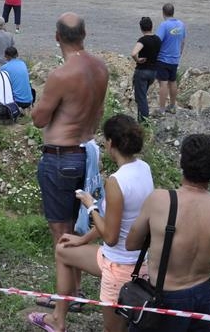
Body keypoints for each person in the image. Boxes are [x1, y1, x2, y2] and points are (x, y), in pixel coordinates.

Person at [27, 115, 154, 332]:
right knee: (64, 250)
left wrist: (91, 206)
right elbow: (117, 221)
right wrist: (83, 239)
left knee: (112, 330)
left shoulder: (116, 181)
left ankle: (59, 319)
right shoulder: (144, 168)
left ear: (111, 143)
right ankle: (57, 318)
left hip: (118, 265)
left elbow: (111, 237)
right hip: (141, 261)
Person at [126, 134, 210, 332]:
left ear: (182, 163)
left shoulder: (159, 200)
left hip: (164, 296)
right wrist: (209, 246)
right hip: (203, 296)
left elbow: (132, 243)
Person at [31, 12, 108, 259]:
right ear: (84, 34)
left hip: (61, 156)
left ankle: (65, 285)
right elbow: (98, 110)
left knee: (62, 232)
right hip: (87, 154)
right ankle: (76, 281)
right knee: (78, 225)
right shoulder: (101, 68)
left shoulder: (61, 75)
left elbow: (39, 119)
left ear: (57, 37)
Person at [154, 3, 186, 115]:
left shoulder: (164, 25)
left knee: (163, 83)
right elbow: (183, 41)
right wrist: (179, 53)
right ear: (173, 12)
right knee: (173, 81)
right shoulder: (181, 24)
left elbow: (157, 41)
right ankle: (172, 106)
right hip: (175, 58)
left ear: (163, 13)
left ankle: (162, 109)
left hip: (163, 58)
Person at [130, 16, 161, 123]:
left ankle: (144, 122)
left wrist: (138, 60)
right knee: (142, 96)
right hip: (153, 72)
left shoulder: (143, 40)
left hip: (142, 71)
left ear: (141, 28)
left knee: (141, 98)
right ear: (152, 26)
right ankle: (142, 119)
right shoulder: (157, 39)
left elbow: (133, 53)